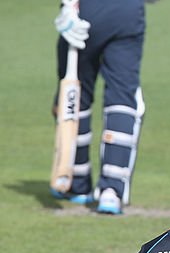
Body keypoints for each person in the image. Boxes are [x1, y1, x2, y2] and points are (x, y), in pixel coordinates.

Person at [52, 0, 147, 214]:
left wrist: (68, 5)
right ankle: (111, 192)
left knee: (77, 96)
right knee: (123, 96)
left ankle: (76, 184)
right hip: (128, 12)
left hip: (85, 10)